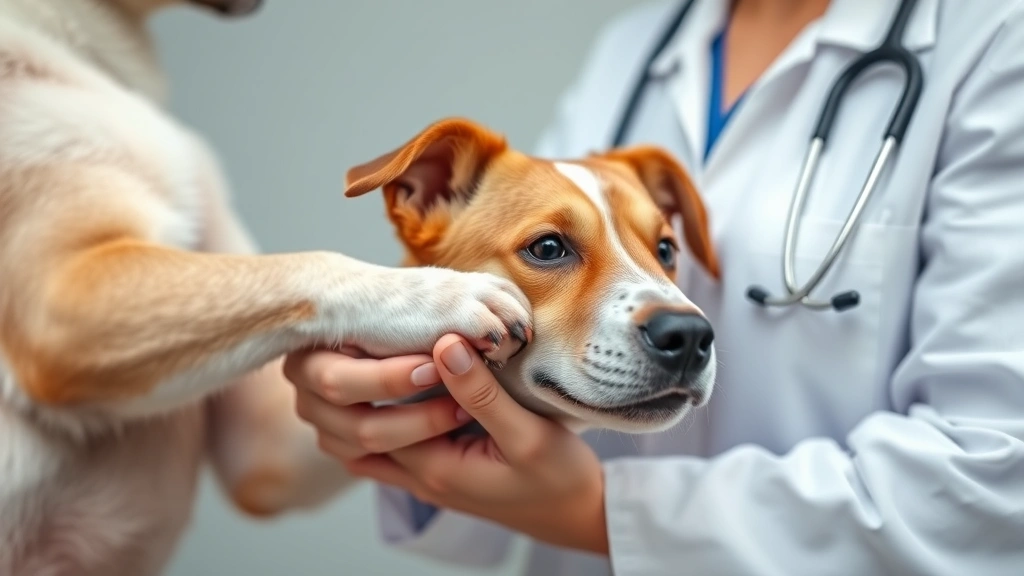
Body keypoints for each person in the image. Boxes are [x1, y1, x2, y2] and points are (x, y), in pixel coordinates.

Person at [284, 0, 1024, 574]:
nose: (683, 319)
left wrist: (597, 511)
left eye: (664, 249)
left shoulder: (994, 38)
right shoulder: (635, 47)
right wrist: (407, 396)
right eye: (550, 248)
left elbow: (994, 482)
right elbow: (515, 347)